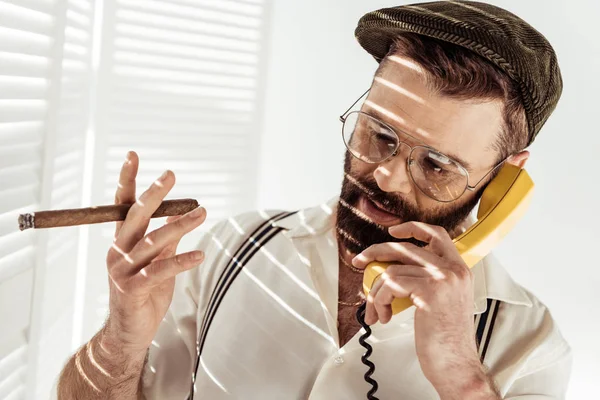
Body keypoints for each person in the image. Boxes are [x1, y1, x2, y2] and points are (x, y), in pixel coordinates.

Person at [54, 2, 572, 399]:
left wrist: (461, 374)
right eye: (379, 134)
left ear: (505, 180)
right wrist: (122, 337)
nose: (387, 177)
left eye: (437, 166)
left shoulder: (528, 345)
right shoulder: (231, 250)